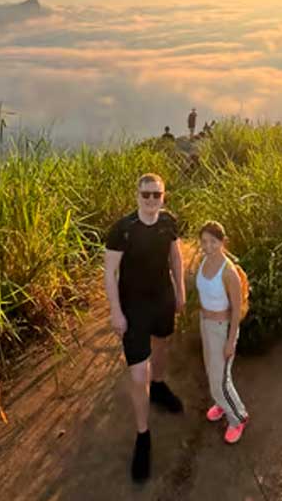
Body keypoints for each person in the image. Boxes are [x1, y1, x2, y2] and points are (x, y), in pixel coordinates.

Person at [104, 173, 186, 482]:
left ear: (164, 196)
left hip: (162, 299)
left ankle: (161, 386)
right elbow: (109, 272)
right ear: (137, 196)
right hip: (133, 308)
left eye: (157, 194)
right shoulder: (123, 230)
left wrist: (180, 291)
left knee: (162, 344)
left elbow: (175, 257)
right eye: (146, 194)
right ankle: (143, 435)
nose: (151, 200)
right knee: (139, 374)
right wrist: (116, 312)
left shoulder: (168, 222)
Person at [195, 221, 249, 444]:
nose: (208, 246)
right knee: (211, 370)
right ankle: (220, 402)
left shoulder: (229, 273)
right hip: (205, 323)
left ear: (223, 242)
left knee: (222, 377)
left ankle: (237, 417)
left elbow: (236, 310)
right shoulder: (204, 261)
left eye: (213, 242)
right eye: (204, 242)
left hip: (222, 329)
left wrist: (230, 342)